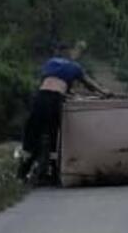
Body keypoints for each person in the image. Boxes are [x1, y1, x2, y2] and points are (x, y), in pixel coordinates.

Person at [18, 44, 106, 182]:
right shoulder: (75, 67)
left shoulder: (51, 63)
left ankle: (22, 172)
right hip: (55, 100)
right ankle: (53, 172)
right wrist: (104, 92)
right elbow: (90, 85)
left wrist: (67, 91)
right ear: (70, 54)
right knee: (55, 135)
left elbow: (48, 82)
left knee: (31, 135)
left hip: (40, 98)